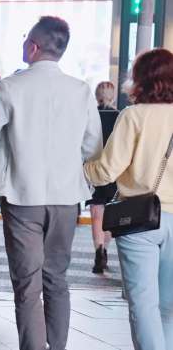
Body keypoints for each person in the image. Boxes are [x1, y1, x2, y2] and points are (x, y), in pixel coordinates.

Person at [0, 16, 102, 350]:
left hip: (21, 195)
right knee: (57, 278)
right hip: (65, 198)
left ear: (32, 46)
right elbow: (93, 146)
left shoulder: (10, 87)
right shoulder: (81, 90)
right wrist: (81, 182)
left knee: (27, 283)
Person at [85, 48, 173, 350]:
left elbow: (106, 170)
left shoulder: (133, 116)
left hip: (139, 218)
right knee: (169, 306)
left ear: (140, 79)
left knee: (143, 305)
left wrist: (83, 167)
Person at [85, 81, 119, 274]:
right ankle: (105, 248)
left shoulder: (91, 115)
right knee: (111, 215)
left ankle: (98, 249)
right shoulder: (118, 115)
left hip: (94, 168)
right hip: (113, 170)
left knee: (96, 214)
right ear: (112, 95)